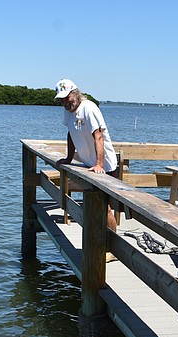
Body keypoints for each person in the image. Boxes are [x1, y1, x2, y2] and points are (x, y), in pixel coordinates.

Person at [54, 78, 118, 232]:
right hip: (88, 165)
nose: (65, 102)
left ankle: (112, 242)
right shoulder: (68, 111)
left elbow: (98, 136)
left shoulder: (88, 108)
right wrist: (68, 158)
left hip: (106, 166)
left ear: (75, 93)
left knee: (105, 208)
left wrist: (99, 164)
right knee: (92, 206)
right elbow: (71, 133)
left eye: (67, 97)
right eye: (61, 99)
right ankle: (98, 239)